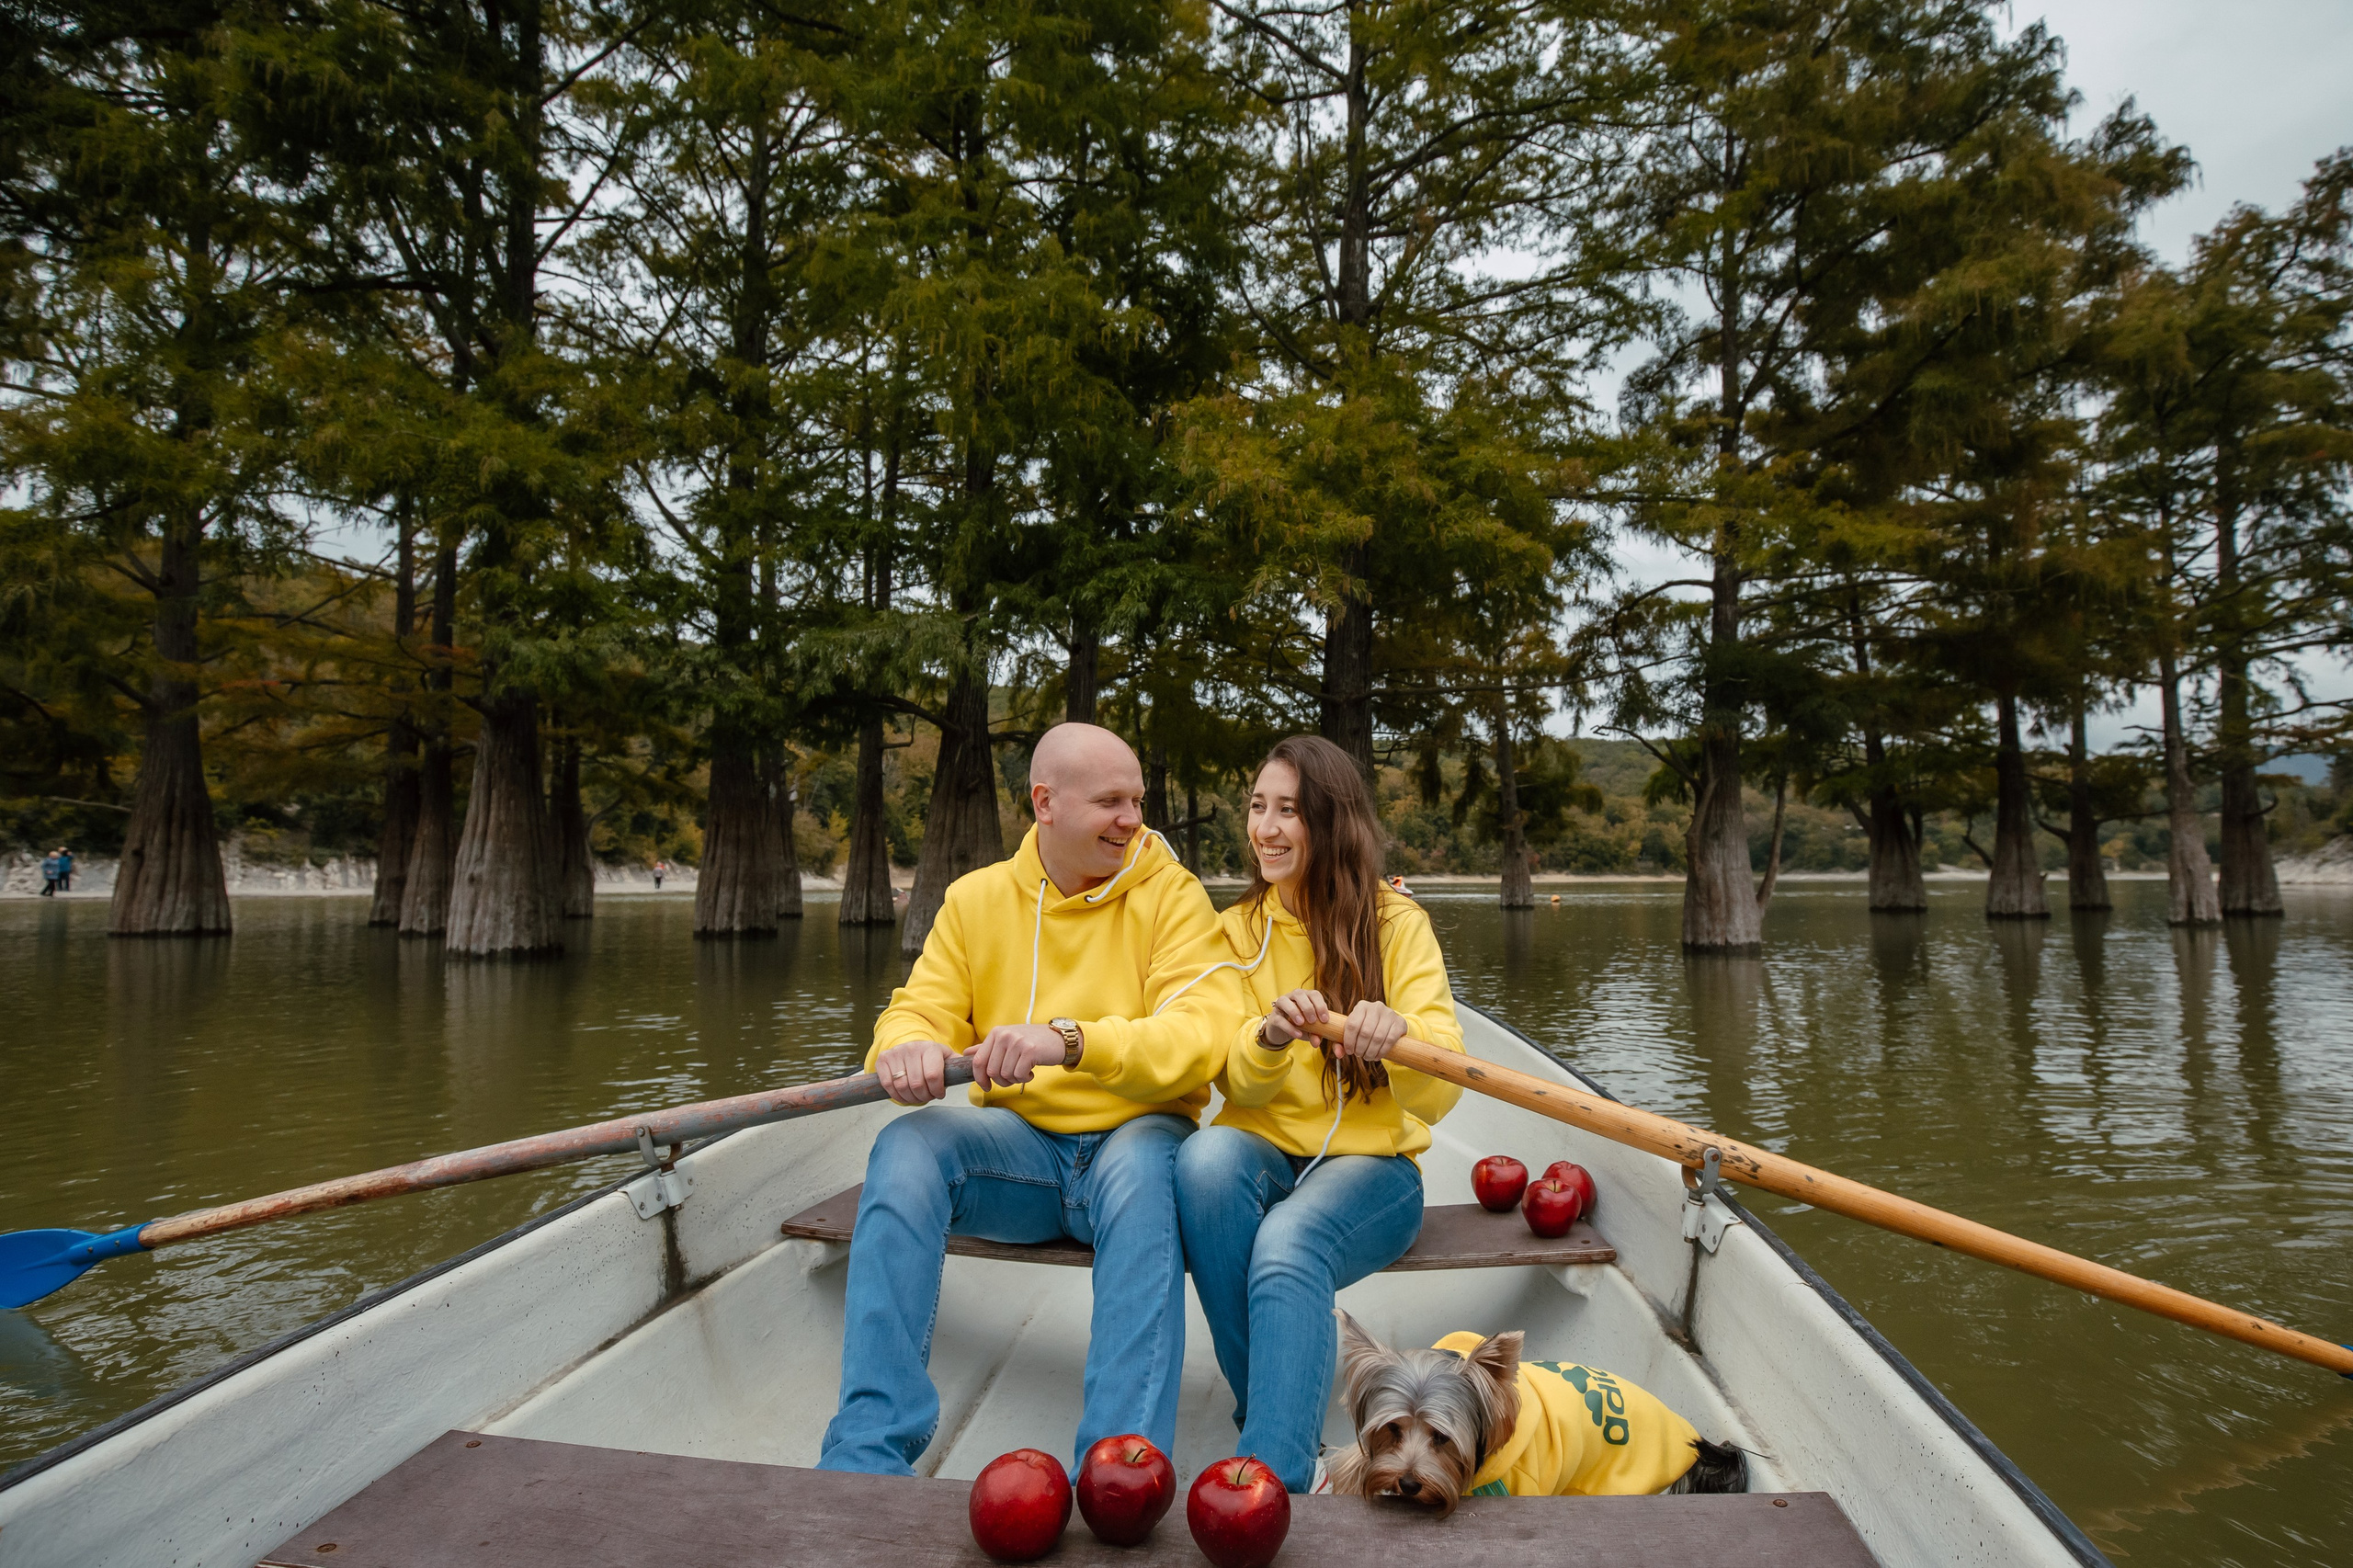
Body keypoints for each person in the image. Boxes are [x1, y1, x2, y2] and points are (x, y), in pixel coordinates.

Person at [817, 722, 1244, 1475]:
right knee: (907, 1147)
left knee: (1149, 1173)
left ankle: (1122, 1470)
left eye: (1137, 800)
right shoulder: (977, 900)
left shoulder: (1172, 896)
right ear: (1045, 803)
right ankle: (866, 1458)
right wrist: (907, 1046)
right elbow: (916, 1009)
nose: (1132, 818)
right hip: (1024, 1160)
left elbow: (1205, 1032)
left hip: (1136, 1141)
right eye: (1111, 801)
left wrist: (1070, 1039)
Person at [1174, 734, 1465, 1494]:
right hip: (1268, 1151)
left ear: (1330, 822)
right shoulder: (1237, 930)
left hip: (1375, 1171)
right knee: (1202, 1162)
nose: (1265, 829)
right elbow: (1233, 1080)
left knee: (1289, 1239)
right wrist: (1268, 1036)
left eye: (1288, 811)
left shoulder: (1397, 924)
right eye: (1257, 808)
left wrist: (1399, 1041)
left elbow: (1443, 1088)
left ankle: (1271, 1478)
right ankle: (1280, 1429)